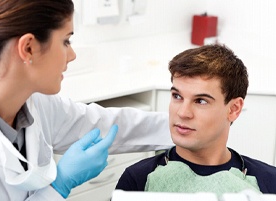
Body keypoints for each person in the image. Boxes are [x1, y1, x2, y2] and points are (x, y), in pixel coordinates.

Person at [0, 0, 173, 200]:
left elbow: (105, 124)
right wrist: (59, 186)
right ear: (28, 48)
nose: (72, 55)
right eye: (66, 41)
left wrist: (182, 127)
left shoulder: (37, 104)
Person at [115, 44, 276, 197]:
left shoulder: (269, 183)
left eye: (201, 101)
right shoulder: (136, 181)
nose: (183, 113)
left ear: (234, 109)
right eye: (177, 96)